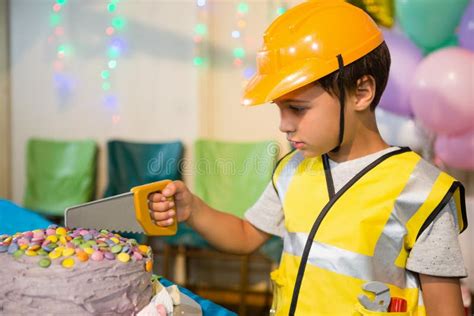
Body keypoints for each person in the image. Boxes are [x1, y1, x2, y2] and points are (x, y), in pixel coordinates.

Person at [149, 1, 467, 315]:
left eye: (298, 108)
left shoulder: (422, 192)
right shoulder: (291, 171)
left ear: (361, 92)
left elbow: (445, 309)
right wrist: (194, 209)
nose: (284, 125)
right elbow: (246, 236)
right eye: (280, 109)